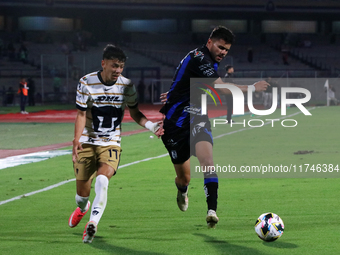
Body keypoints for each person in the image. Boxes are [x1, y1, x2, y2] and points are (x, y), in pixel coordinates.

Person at [159, 26, 269, 228]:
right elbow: (221, 88)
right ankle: (182, 189)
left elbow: (193, 83)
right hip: (175, 125)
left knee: (208, 161)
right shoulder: (200, 58)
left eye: (226, 50)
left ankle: (212, 211)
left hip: (197, 118)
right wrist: (253, 88)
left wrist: (176, 94)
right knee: (184, 178)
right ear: (209, 42)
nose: (223, 52)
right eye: (220, 47)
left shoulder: (206, 60)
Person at [68, 44, 163, 244]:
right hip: (87, 141)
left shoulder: (127, 86)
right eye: (114, 66)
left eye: (121, 66)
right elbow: (81, 113)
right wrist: (76, 139)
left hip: (111, 142)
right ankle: (84, 209)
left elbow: (135, 113)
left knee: (103, 180)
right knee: (81, 196)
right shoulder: (86, 82)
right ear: (104, 63)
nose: (118, 70)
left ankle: (93, 223)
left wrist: (152, 126)